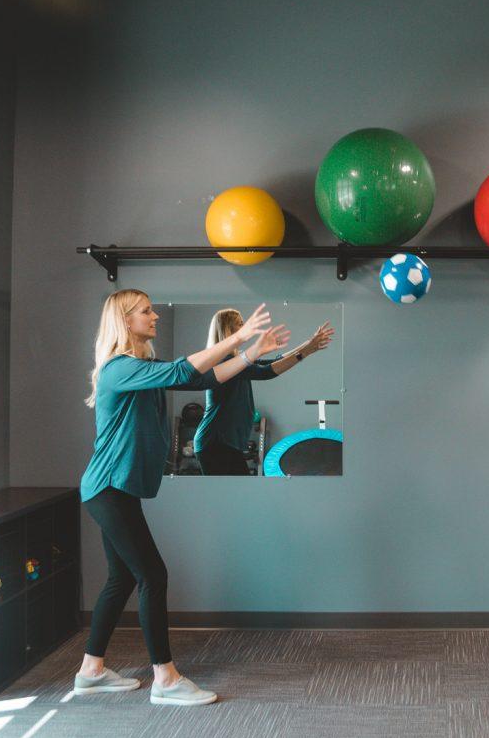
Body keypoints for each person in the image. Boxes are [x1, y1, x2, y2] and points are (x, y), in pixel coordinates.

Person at [73, 290, 289, 706]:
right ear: (125, 320)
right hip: (108, 488)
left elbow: (200, 378)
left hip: (115, 489)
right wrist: (238, 337)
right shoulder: (119, 368)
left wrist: (249, 354)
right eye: (146, 311)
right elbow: (181, 370)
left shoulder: (142, 368)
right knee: (152, 576)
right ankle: (166, 679)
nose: (154, 316)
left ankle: (90, 670)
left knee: (122, 578)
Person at [194, 309, 335, 476]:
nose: (245, 327)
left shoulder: (237, 360)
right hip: (215, 443)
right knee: (233, 491)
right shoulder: (224, 362)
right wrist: (305, 351)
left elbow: (272, 362)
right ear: (228, 330)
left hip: (226, 443)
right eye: (240, 324)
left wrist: (308, 346)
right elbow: (266, 372)